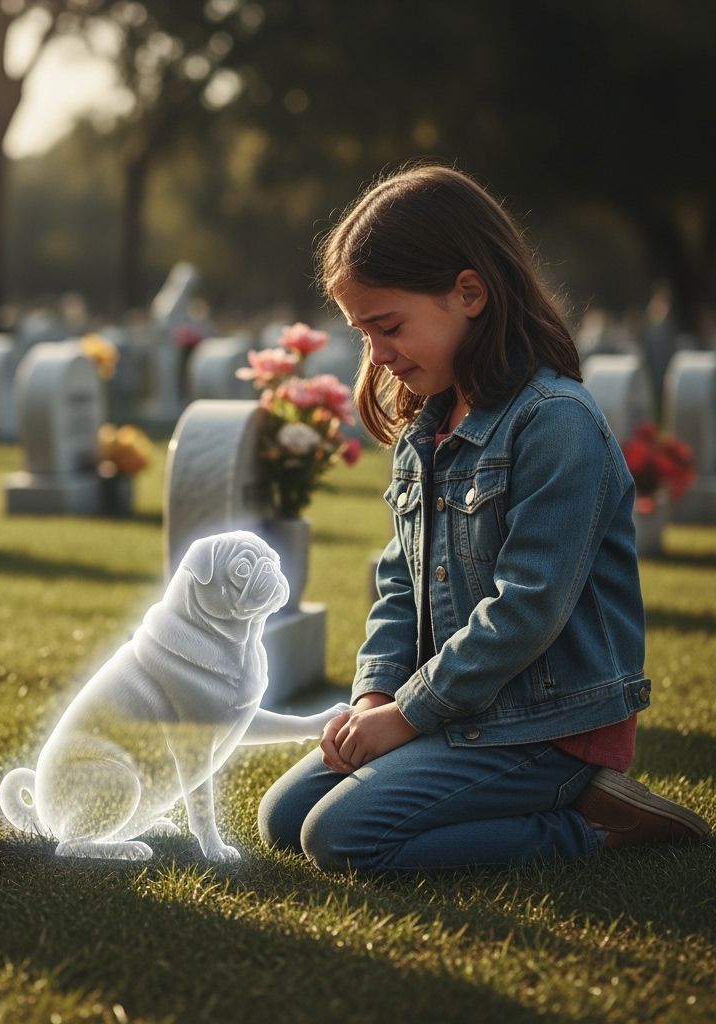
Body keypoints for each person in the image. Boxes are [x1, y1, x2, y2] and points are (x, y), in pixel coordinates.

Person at [258, 165, 710, 872]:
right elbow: (399, 584)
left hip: (545, 726)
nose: (377, 356)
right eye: (363, 334)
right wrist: (375, 696)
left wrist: (406, 718)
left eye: (388, 326)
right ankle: (506, 787)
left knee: (342, 839)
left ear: (469, 293)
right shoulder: (426, 429)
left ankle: (593, 824)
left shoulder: (556, 424)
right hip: (458, 712)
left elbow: (528, 609)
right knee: (283, 819)